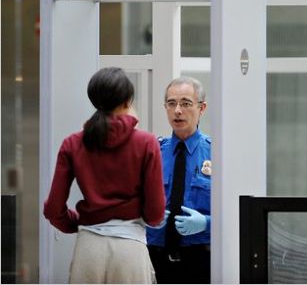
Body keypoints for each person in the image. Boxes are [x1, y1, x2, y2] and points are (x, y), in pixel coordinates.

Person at [43, 67, 166, 283]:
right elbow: (155, 214)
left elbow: (53, 208)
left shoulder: (73, 143)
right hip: (130, 249)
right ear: (128, 101)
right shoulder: (147, 143)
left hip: (88, 249)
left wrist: (78, 222)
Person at [146, 76, 211, 284]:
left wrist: (206, 223)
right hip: (154, 257)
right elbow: (132, 201)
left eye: (185, 103)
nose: (177, 111)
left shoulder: (217, 153)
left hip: (201, 260)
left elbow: (234, 212)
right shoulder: (152, 152)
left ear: (202, 108)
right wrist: (146, 218)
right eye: (171, 103)